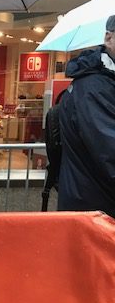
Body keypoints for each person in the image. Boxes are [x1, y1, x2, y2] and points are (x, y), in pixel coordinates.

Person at [57, 15, 115, 217]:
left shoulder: (102, 81)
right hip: (96, 211)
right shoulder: (94, 88)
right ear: (109, 39)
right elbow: (109, 152)